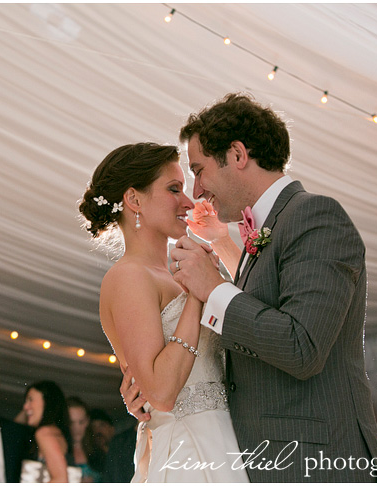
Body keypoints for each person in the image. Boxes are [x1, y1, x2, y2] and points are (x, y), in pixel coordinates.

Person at [118, 92, 377, 482]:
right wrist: (161, 390)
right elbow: (252, 343)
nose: (197, 191)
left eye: (200, 169)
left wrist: (213, 289)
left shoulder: (316, 216)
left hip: (317, 462)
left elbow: (302, 347)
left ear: (238, 154)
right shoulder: (262, 235)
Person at [79, 142, 249, 482]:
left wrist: (219, 242)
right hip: (188, 451)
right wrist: (199, 295)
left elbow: (250, 313)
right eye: (174, 189)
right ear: (134, 200)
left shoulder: (171, 276)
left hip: (225, 441)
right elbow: (160, 392)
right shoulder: (128, 276)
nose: (189, 202)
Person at [17, 380, 80, 483]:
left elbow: (61, 479)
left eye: (30, 400)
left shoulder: (44, 433)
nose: (25, 407)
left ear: (47, 401)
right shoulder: (55, 432)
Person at [66, 397, 102, 482]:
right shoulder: (58, 450)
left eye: (81, 422)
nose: (76, 428)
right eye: (71, 422)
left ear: (87, 421)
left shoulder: (98, 451)